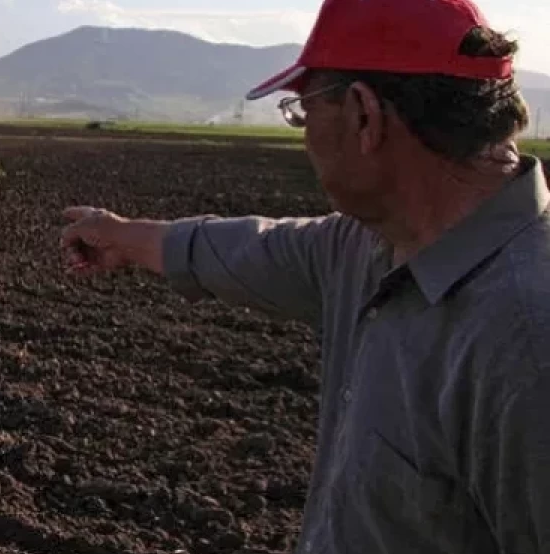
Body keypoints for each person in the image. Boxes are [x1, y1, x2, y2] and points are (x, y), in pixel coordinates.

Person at [60, 0, 549, 552]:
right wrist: (120, 235)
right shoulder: (369, 247)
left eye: (301, 110)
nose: (303, 133)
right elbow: (251, 248)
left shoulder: (526, 341)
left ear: (364, 115)